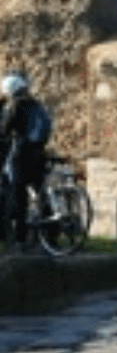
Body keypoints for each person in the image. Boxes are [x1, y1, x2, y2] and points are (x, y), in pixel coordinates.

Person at [0, 71, 51, 248]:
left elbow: (4, 130)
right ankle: (50, 236)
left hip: (21, 155)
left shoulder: (14, 105)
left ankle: (20, 240)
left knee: (19, 195)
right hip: (39, 153)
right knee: (41, 193)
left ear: (9, 90)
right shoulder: (37, 104)